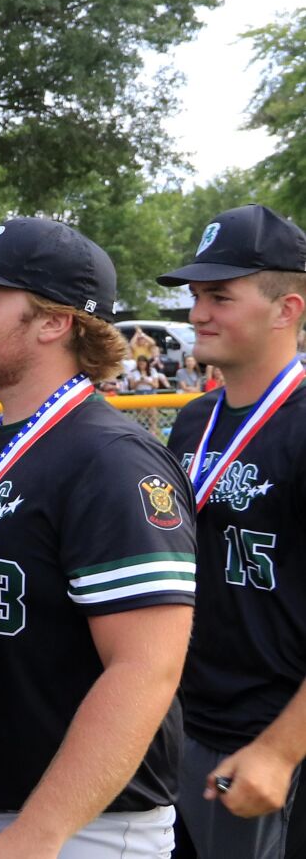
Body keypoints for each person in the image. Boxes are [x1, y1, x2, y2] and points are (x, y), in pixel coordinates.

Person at [0, 217, 195, 857]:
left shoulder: (113, 461)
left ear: (52, 322)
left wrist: (40, 832)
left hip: (79, 826)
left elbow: (147, 668)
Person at [158, 205, 306, 858]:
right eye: (195, 296)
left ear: (286, 308)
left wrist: (280, 748)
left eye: (220, 295)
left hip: (275, 738)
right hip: (183, 720)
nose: (197, 314)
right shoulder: (194, 422)